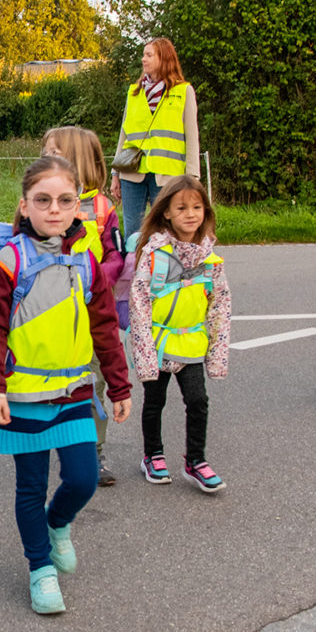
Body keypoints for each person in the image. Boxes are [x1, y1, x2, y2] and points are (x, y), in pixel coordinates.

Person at [0, 155, 132, 616]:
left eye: (65, 200)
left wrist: (119, 387)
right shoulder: (7, 263)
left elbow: (104, 326)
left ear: (79, 209)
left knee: (82, 478)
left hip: (74, 392)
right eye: (43, 201)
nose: (54, 209)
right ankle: (40, 568)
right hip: (22, 396)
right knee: (30, 486)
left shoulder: (86, 261)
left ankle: (56, 524)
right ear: (24, 207)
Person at [128, 175, 231, 493]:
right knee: (154, 402)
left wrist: (217, 354)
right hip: (159, 345)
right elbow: (140, 303)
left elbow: (220, 307)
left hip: (192, 344)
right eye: (182, 207)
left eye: (197, 207)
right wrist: (144, 354)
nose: (191, 213)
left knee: (198, 401)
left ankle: (196, 460)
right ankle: (153, 455)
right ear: (167, 212)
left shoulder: (210, 259)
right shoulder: (155, 255)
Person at [42, 126, 126, 487]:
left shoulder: (104, 209)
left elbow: (115, 256)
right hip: (49, 310)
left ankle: (93, 451)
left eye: (54, 153)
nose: (45, 159)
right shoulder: (40, 202)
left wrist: (93, 278)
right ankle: (45, 437)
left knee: (93, 382)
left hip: (91, 308)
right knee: (48, 377)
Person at [110, 37, 204, 241]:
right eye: (144, 55)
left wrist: (193, 177)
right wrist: (115, 173)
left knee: (167, 231)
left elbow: (192, 136)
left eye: (149, 55)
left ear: (164, 58)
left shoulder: (183, 91)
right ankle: (134, 271)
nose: (143, 59)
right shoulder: (133, 93)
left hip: (168, 175)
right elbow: (123, 134)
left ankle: (167, 272)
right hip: (132, 173)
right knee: (133, 235)